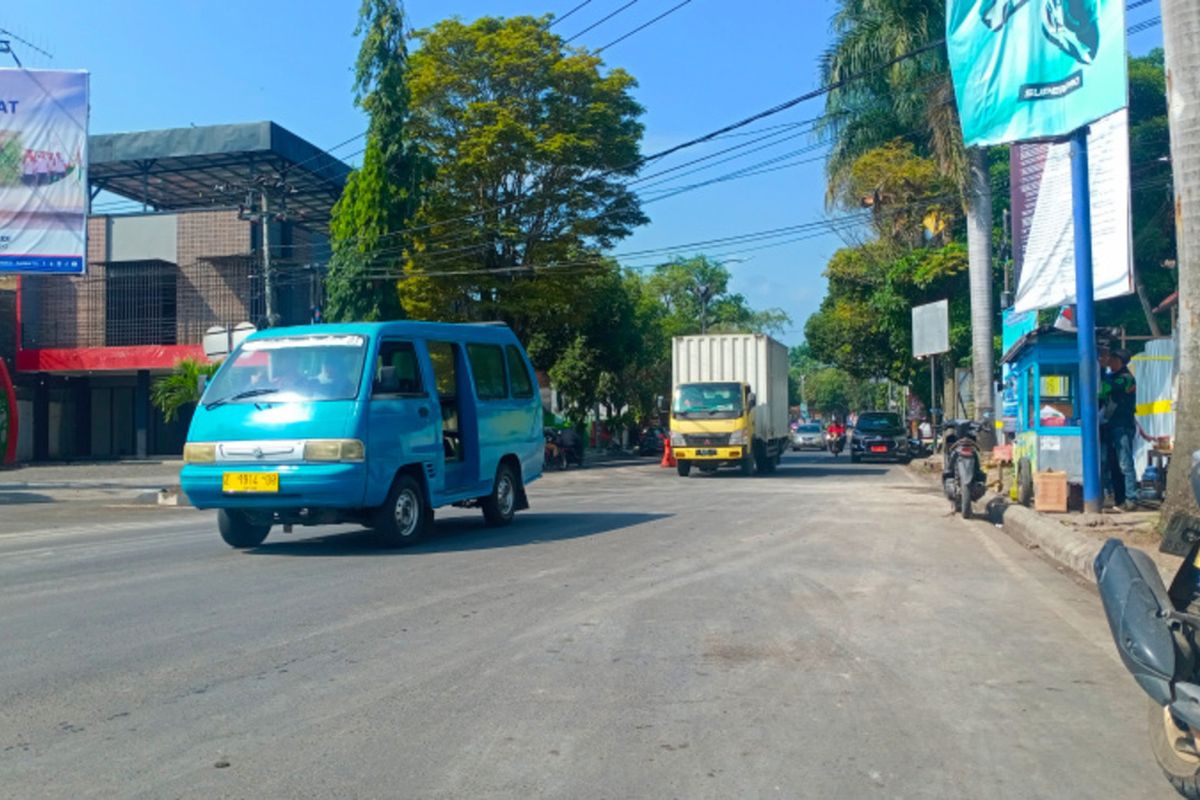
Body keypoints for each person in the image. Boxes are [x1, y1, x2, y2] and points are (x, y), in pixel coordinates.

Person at [1106, 348, 1140, 511]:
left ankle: (1131, 499)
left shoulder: (1126, 379)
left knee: (1125, 463)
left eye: (1112, 359)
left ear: (1120, 361)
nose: (1109, 362)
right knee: (1114, 464)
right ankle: (1119, 499)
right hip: (1112, 425)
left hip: (1123, 426)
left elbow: (1106, 389)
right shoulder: (1113, 377)